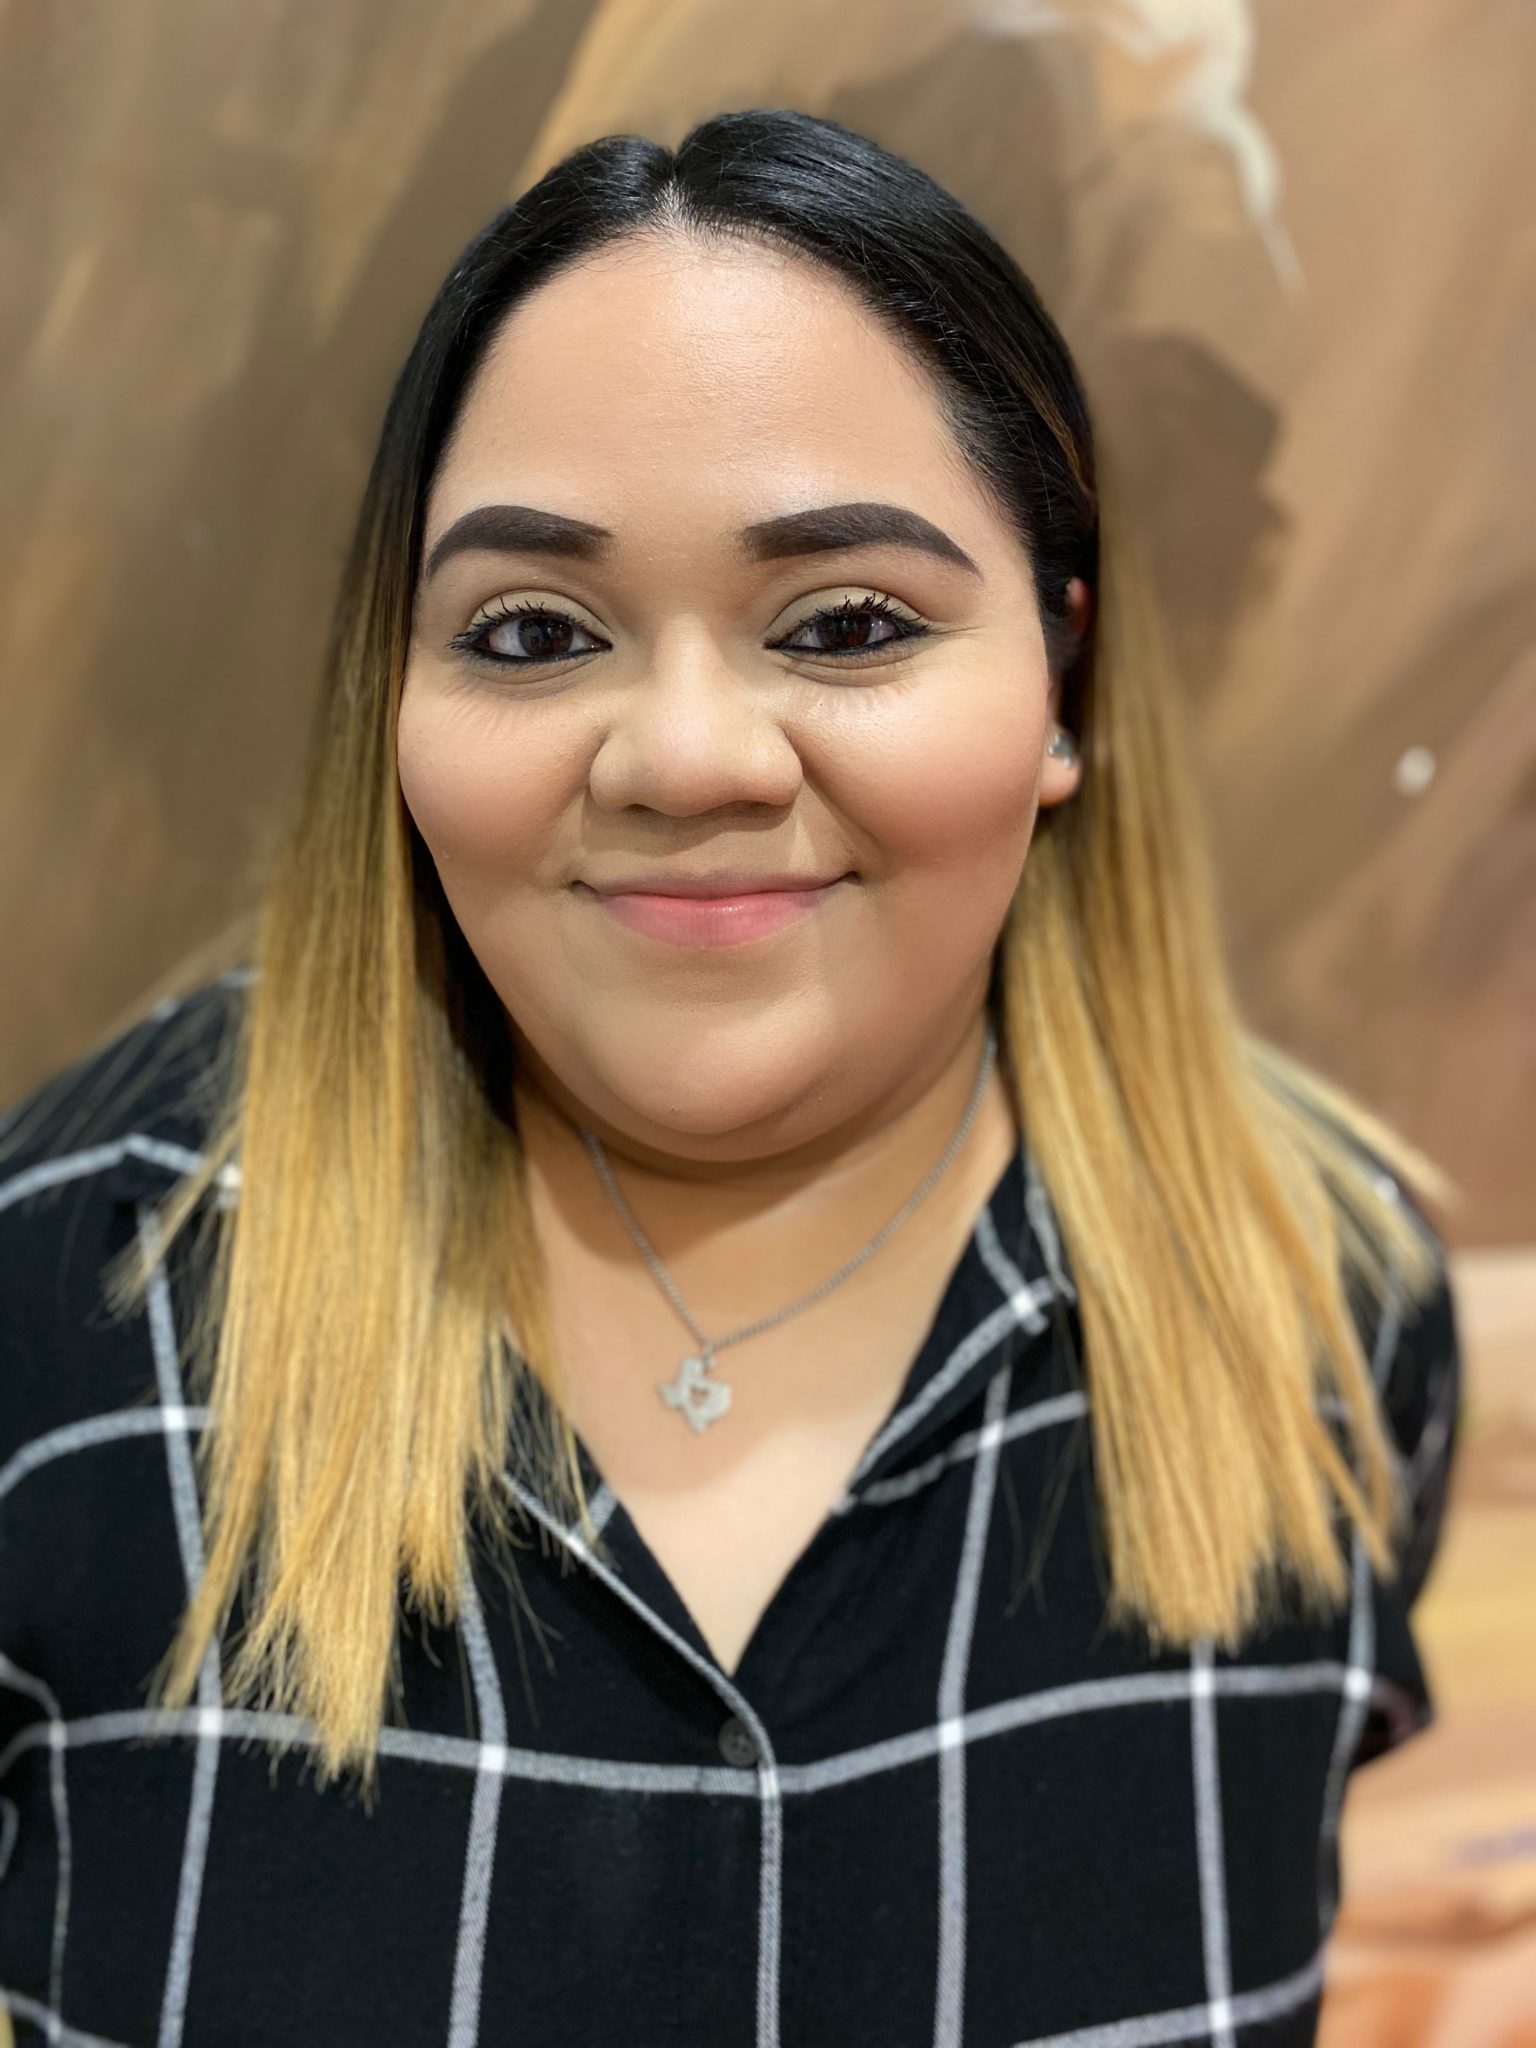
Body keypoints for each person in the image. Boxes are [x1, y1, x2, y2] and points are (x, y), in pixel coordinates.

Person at [0, 107, 1463, 2048]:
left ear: (1063, 683)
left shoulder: (1328, 1314)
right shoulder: (62, 1293)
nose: (686, 758)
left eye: (847, 624)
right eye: (534, 632)